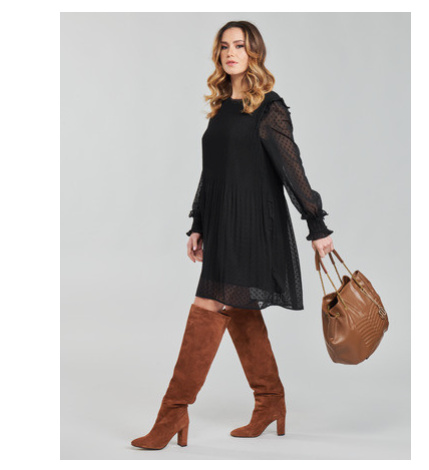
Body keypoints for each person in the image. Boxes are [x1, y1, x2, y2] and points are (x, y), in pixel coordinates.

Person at [131, 20, 334, 450]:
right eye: (224, 46)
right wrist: (199, 223)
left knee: (208, 303)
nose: (230, 53)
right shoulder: (222, 106)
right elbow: (213, 172)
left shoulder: (269, 107)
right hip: (223, 222)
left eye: (239, 45)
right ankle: (271, 401)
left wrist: (316, 224)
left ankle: (172, 413)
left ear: (254, 52)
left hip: (253, 224)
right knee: (239, 308)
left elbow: (292, 168)